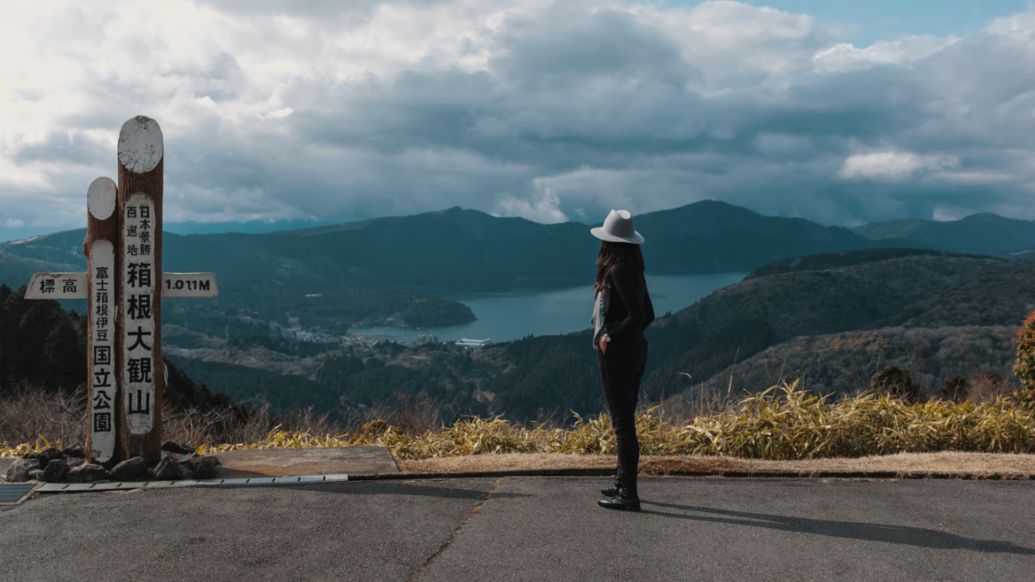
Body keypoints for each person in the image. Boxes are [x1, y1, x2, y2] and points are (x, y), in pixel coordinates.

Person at [590, 209, 655, 512]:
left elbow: (637, 315)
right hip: (636, 351)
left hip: (619, 355)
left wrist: (609, 336)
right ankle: (621, 481)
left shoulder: (616, 271)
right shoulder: (633, 269)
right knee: (624, 420)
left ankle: (628, 492)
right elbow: (648, 315)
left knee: (622, 424)